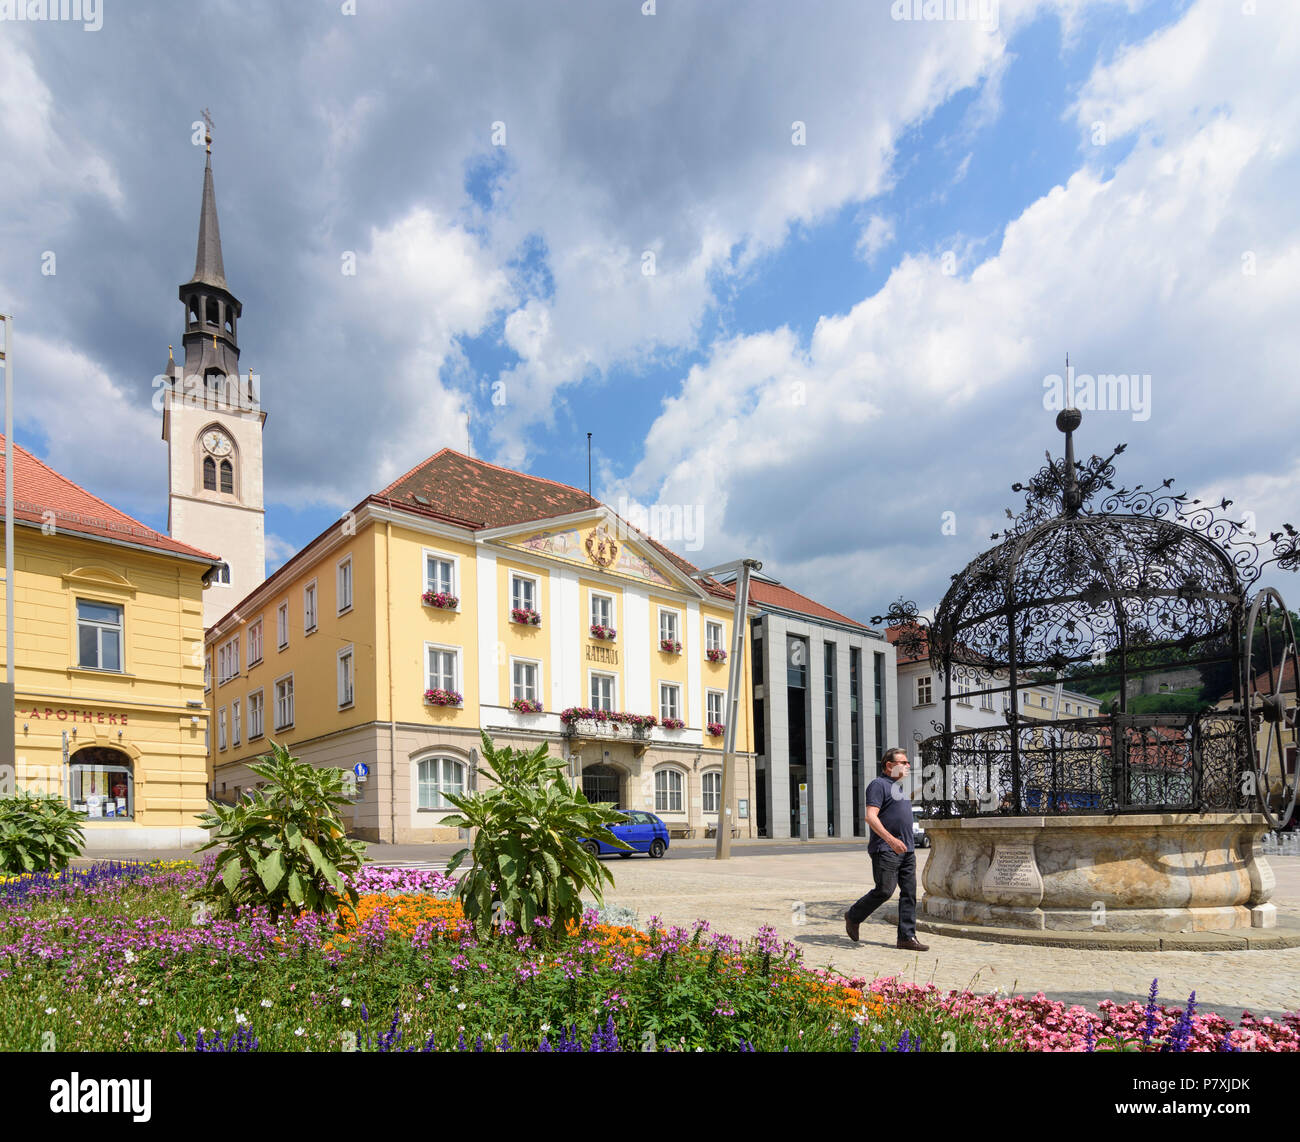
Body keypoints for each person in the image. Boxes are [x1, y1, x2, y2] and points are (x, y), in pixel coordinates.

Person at [844, 747, 929, 950]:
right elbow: (870, 817)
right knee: (884, 890)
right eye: (904, 762)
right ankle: (853, 915)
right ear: (889, 765)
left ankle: (906, 937)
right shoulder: (878, 785)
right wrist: (891, 840)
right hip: (886, 848)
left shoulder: (898, 788)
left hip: (907, 850)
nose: (908, 766)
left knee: (909, 893)